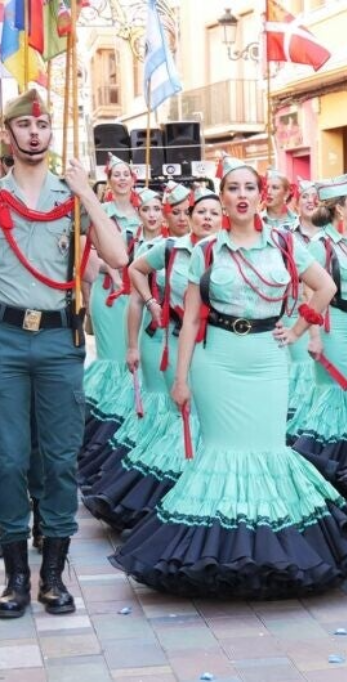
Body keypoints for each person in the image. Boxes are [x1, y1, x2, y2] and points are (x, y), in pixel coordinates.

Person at [110, 156, 347, 598]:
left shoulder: (286, 244)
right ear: (223, 198)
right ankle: (222, 555)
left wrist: (296, 328)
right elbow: (193, 319)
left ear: (260, 196)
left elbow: (326, 288)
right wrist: (180, 380)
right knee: (222, 452)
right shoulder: (205, 250)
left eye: (249, 188)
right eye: (232, 189)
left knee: (267, 449)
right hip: (215, 361)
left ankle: (270, 554)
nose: (241, 196)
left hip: (267, 358)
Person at [0, 89, 127, 618]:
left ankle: (52, 575)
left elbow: (118, 257)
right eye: (24, 125)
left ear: (52, 134)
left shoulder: (71, 197)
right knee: (7, 461)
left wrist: (88, 193)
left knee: (57, 460)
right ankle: (15, 580)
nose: (34, 132)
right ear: (7, 136)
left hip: (58, 341)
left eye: (43, 124)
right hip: (5, 341)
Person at [81, 188, 218, 531]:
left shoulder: (235, 254)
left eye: (210, 212)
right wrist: (143, 319)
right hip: (169, 343)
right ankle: (165, 497)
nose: (200, 218)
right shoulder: (171, 250)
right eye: (194, 211)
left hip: (219, 351)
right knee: (177, 417)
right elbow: (135, 279)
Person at [289, 174, 347, 498]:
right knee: (341, 396)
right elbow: (310, 292)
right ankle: (333, 475)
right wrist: (313, 336)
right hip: (335, 326)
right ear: (340, 209)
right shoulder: (320, 244)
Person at [79, 155, 141, 475]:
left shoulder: (145, 210)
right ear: (109, 179)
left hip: (138, 296)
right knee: (113, 361)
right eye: (116, 174)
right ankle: (101, 433)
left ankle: (133, 429)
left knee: (135, 364)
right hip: (110, 295)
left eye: (126, 174)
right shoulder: (100, 214)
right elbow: (89, 255)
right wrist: (110, 269)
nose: (122, 179)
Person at [284, 179, 323, 420]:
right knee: (301, 371)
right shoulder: (285, 235)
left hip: (331, 313)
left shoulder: (333, 234)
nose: (311, 201)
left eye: (316, 196)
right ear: (296, 201)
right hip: (296, 311)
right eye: (306, 196)